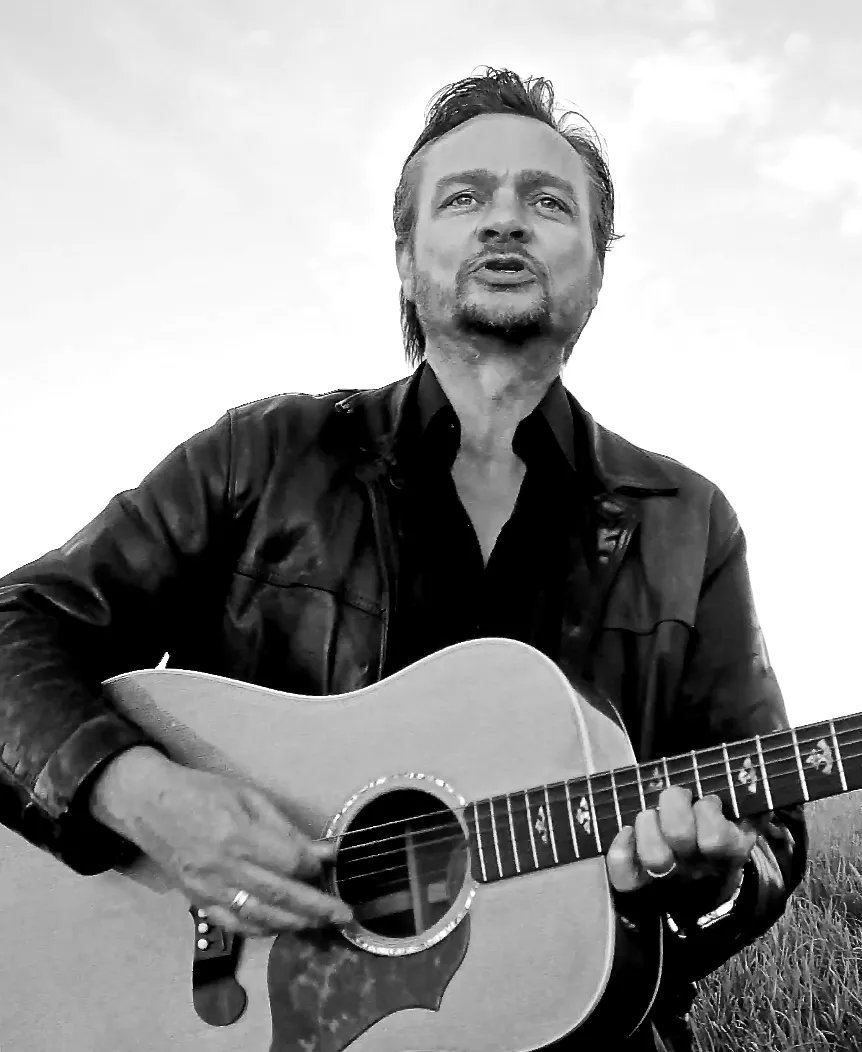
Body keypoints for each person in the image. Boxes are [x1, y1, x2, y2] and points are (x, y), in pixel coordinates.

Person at [0, 67, 806, 1051]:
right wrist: (140, 795)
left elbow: (769, 837)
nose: (504, 220)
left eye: (548, 202)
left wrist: (711, 877)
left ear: (595, 268)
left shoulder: (688, 522)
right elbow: (11, 631)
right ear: (403, 257)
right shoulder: (262, 457)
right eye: (464, 197)